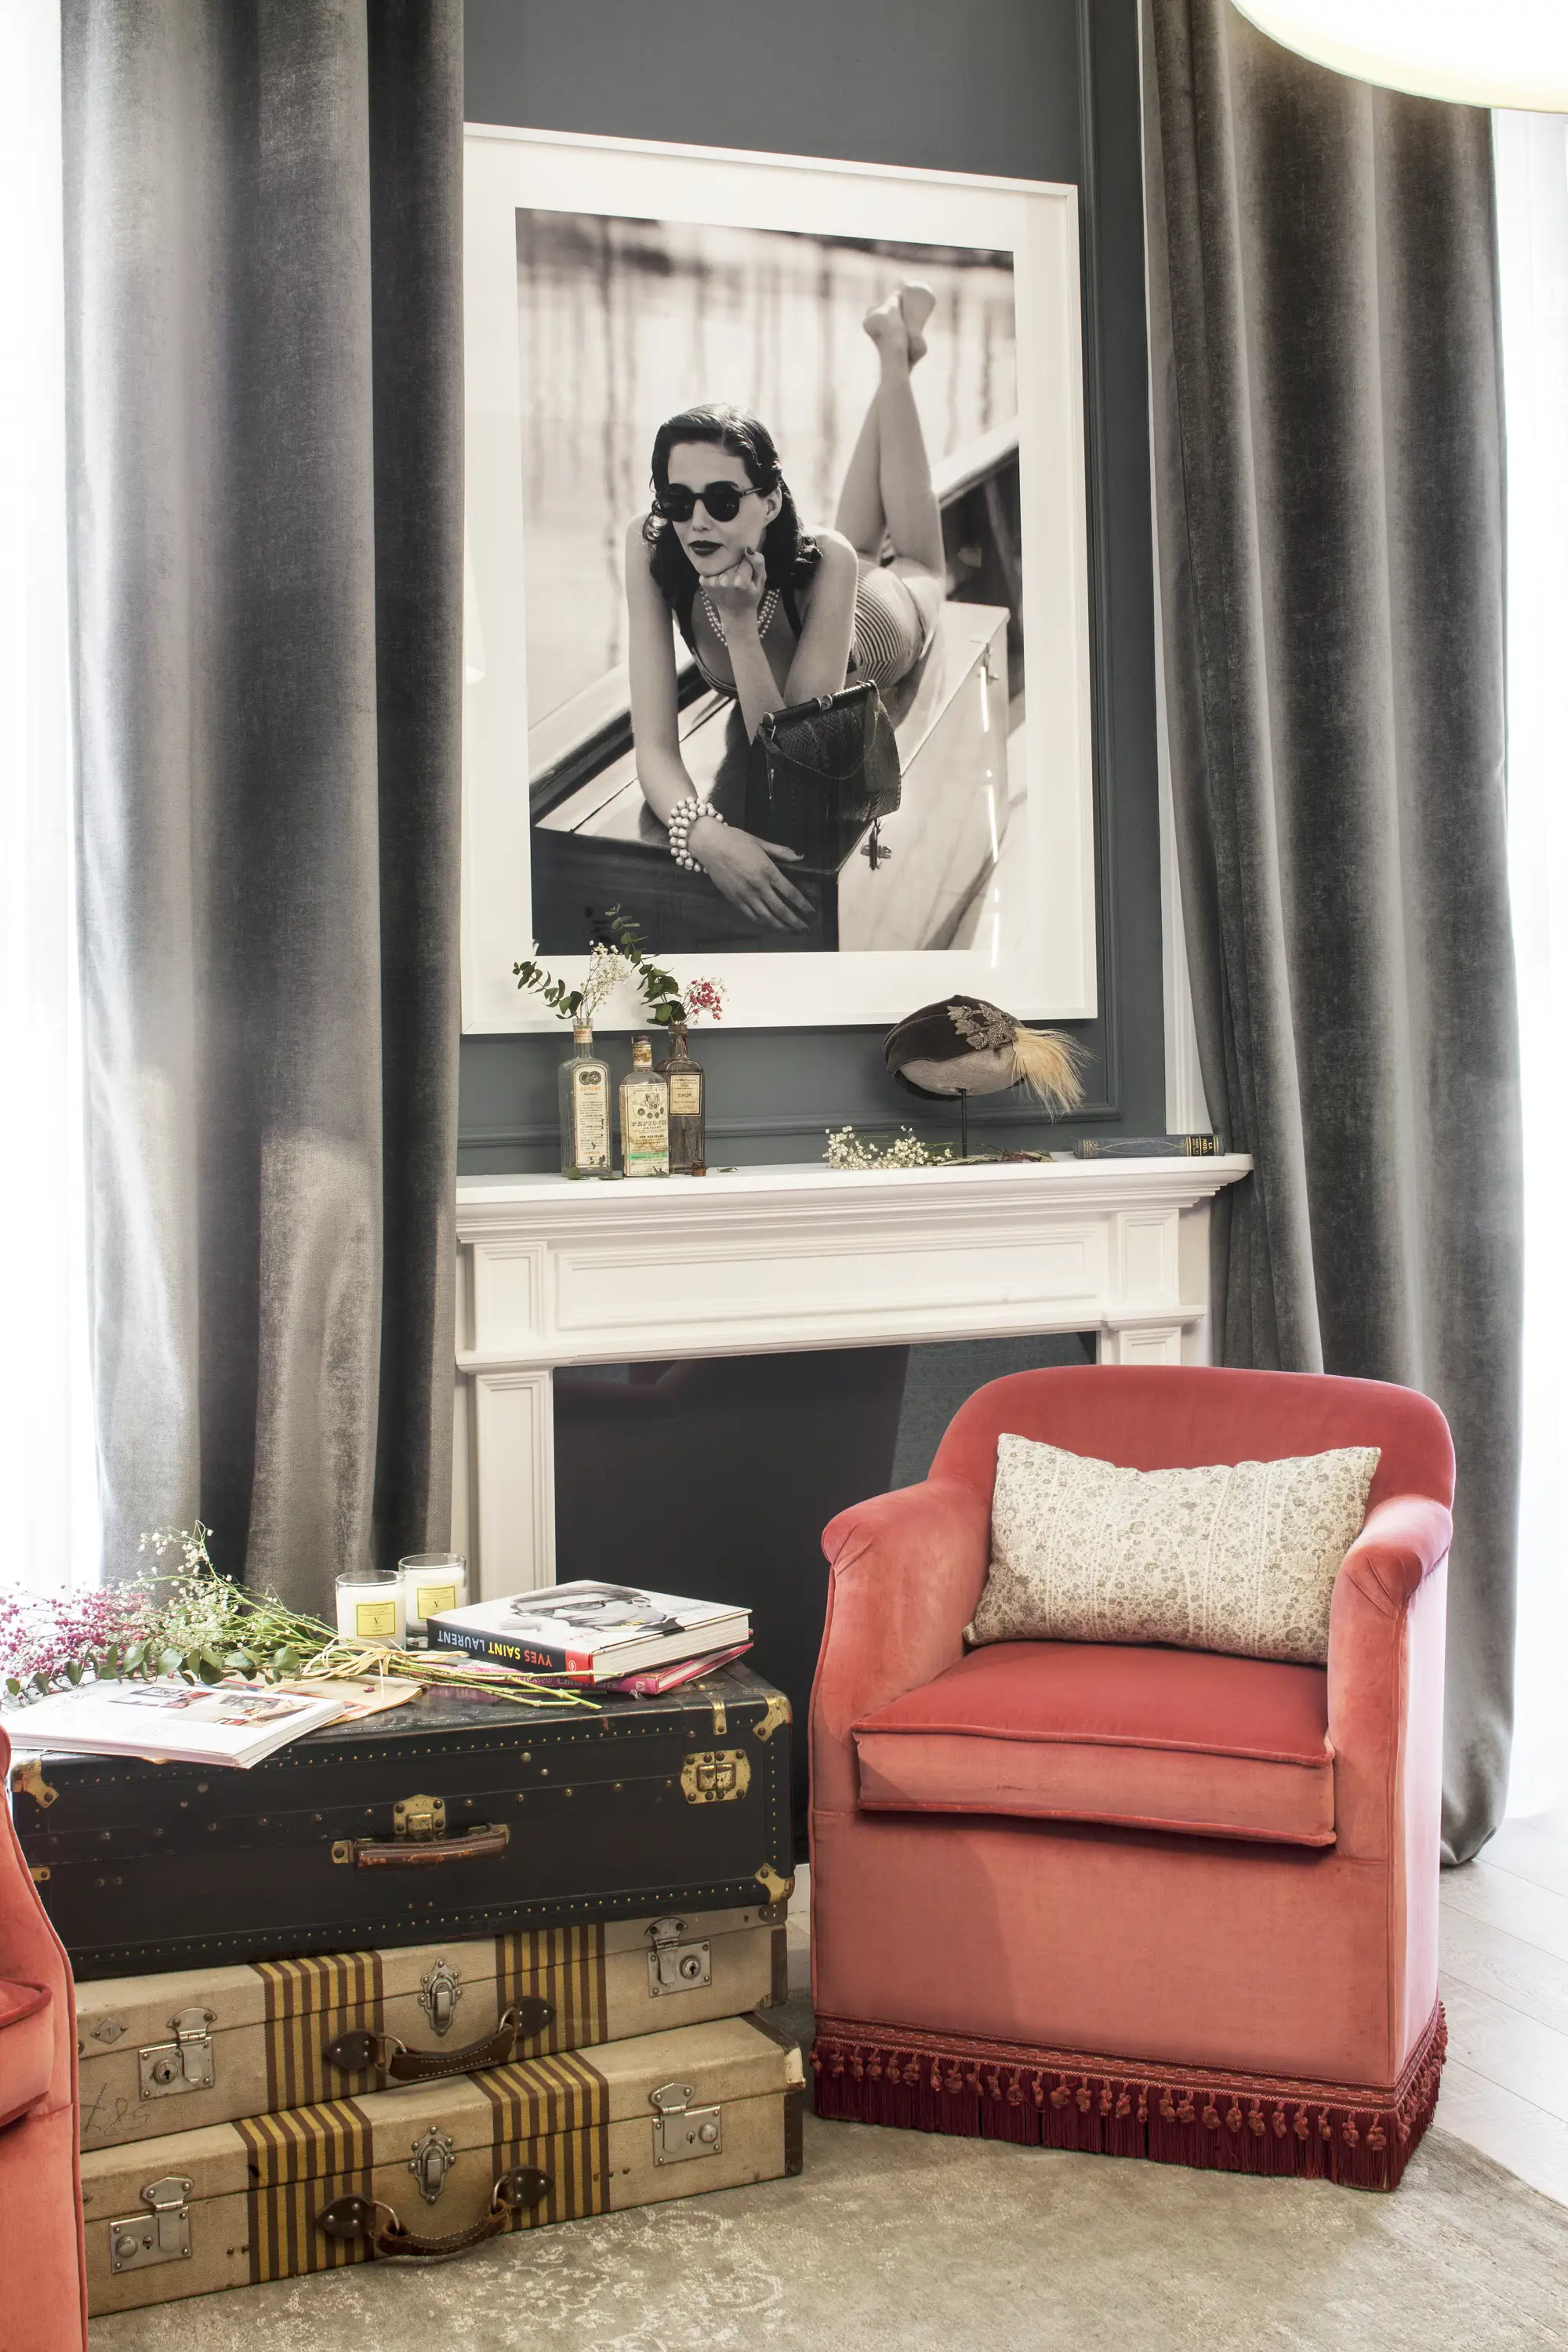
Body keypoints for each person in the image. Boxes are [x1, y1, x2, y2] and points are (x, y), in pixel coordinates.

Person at [624, 283, 946, 934]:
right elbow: (654, 746)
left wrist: (742, 632)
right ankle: (894, 339)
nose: (697, 521)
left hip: (880, 624)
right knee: (852, 541)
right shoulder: (652, 545)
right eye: (677, 500)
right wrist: (706, 837)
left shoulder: (826, 563)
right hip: (804, 583)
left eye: (722, 498)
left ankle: (894, 357)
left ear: (768, 501)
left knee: (914, 559)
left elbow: (793, 765)